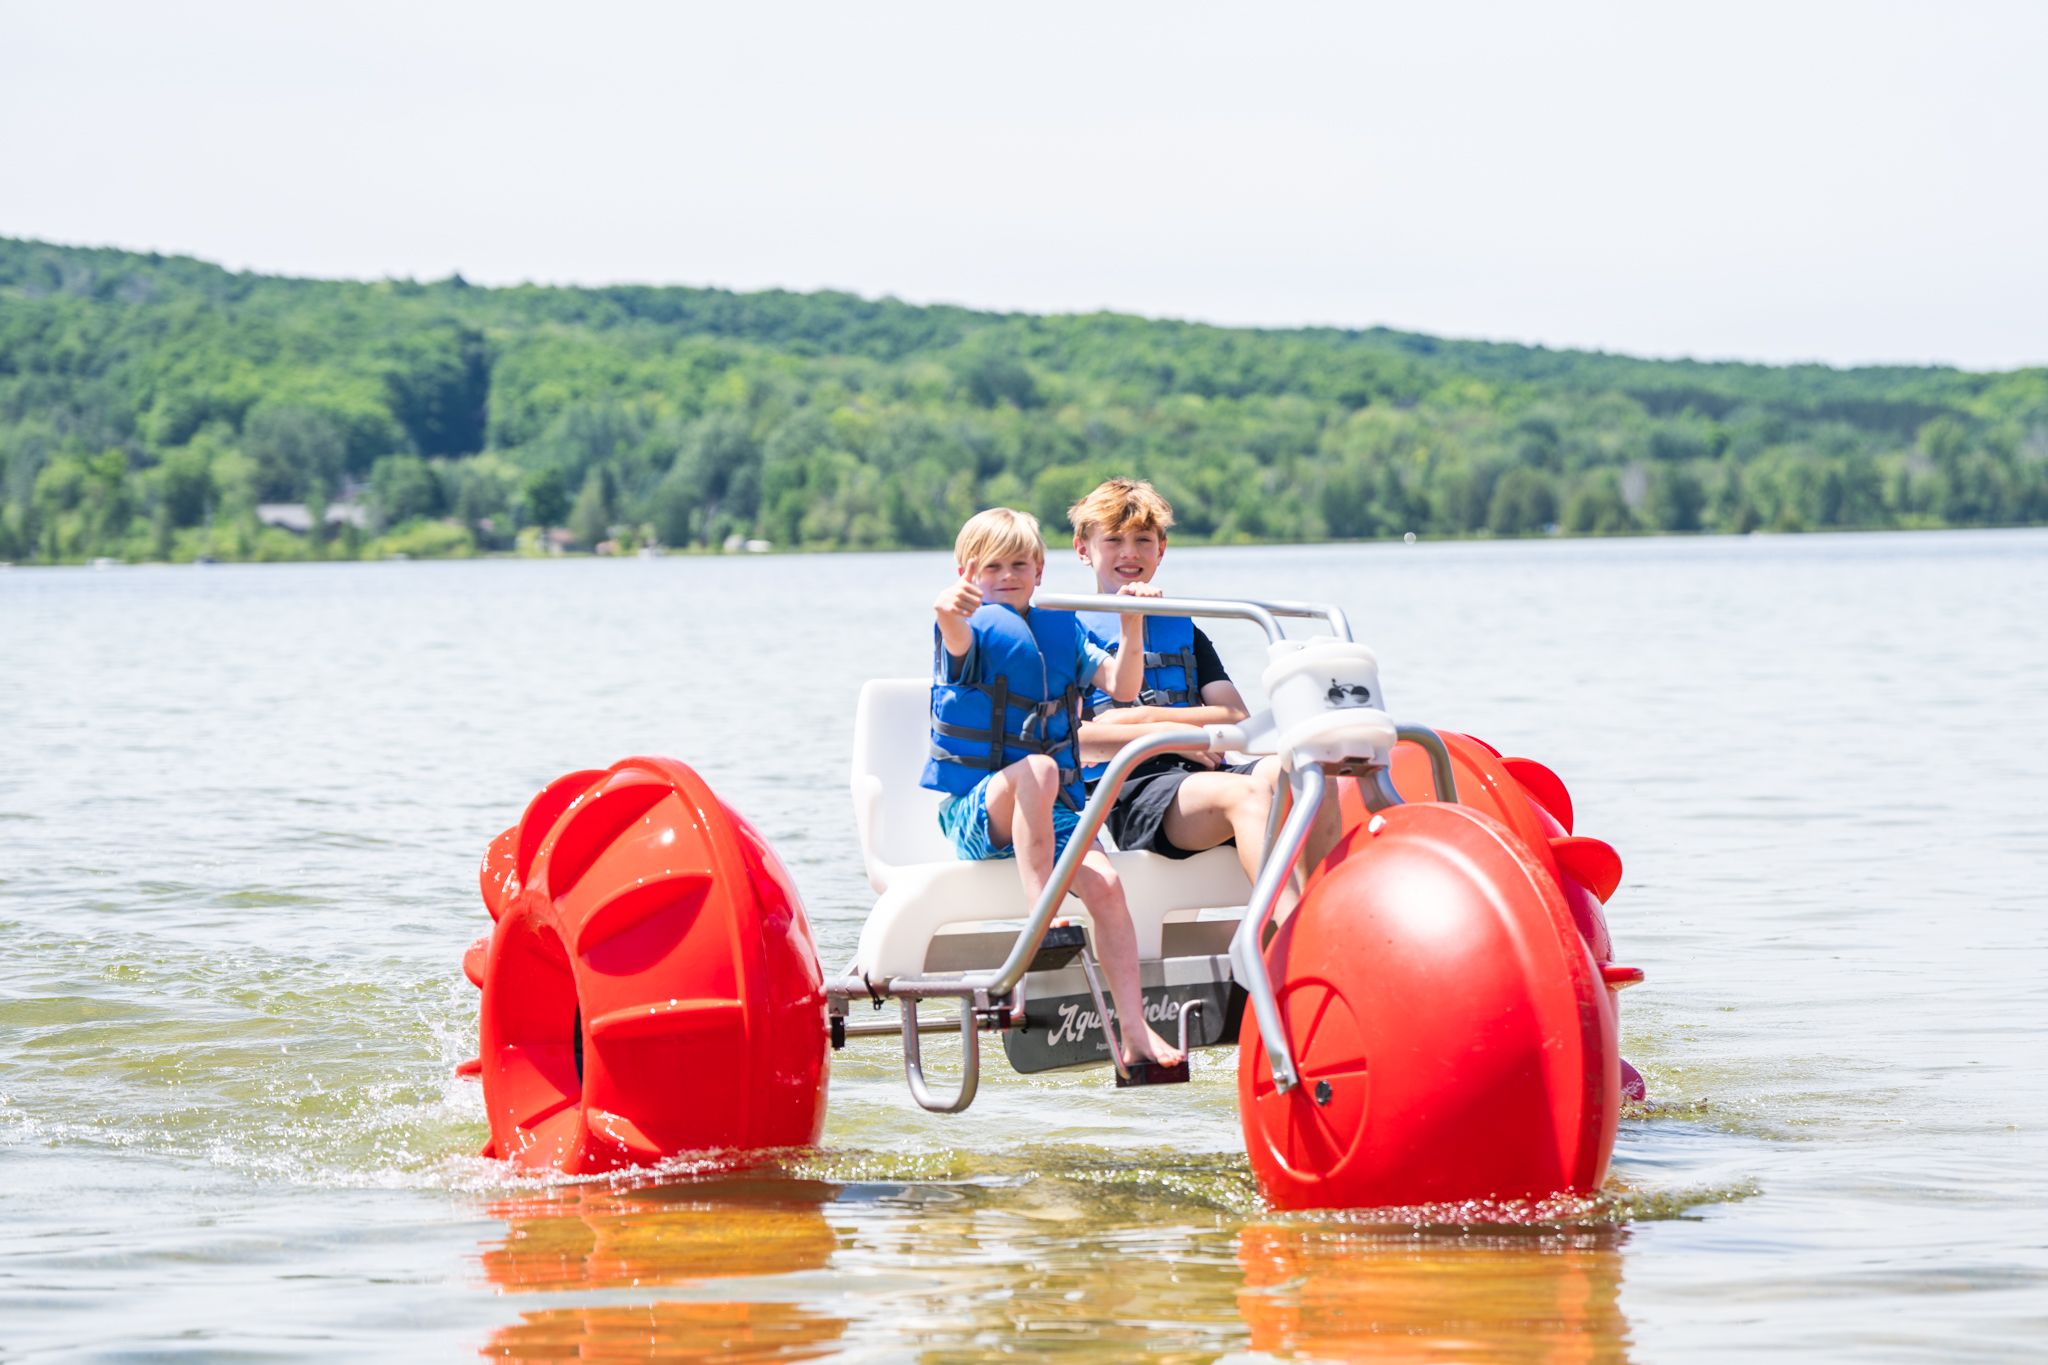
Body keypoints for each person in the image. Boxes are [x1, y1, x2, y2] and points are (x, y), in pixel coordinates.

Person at [923, 507, 1185, 1069]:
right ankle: (1041, 919)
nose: (1009, 575)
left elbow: (1123, 685)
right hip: (980, 814)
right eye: (993, 567)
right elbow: (953, 630)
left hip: (1054, 816)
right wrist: (948, 609)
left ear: (1041, 569)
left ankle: (1136, 1034)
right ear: (968, 573)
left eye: (1020, 563)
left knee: (1109, 886)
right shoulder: (967, 630)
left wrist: (1131, 623)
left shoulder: (1063, 631)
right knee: (1038, 770)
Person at [1067, 478, 1341, 899]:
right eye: (1114, 539)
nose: (1130, 552)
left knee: (1309, 768)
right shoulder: (1067, 634)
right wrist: (1168, 741)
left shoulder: (1184, 630)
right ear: (1083, 549)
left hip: (1209, 774)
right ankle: (1285, 936)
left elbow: (1235, 718)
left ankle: (1326, 910)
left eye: (1143, 539)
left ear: (1161, 548)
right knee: (1246, 792)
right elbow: (1079, 741)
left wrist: (1144, 719)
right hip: (1135, 796)